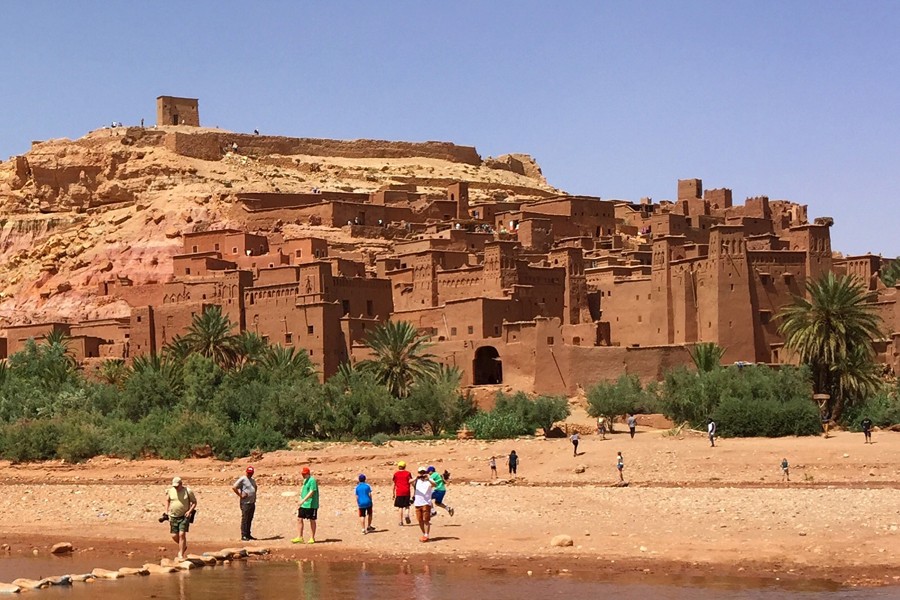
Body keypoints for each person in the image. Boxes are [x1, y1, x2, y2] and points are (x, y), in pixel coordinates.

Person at [165, 476, 197, 560]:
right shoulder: (170, 491)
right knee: (174, 535)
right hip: (173, 516)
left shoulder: (188, 491)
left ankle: (181, 554)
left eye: (177, 486)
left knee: (182, 534)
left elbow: (194, 502)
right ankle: (183, 546)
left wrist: (189, 511)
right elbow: (167, 500)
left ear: (181, 484)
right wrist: (167, 511)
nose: (175, 488)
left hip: (184, 516)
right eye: (174, 486)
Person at [292, 467, 318, 544]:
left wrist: (303, 500)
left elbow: (312, 492)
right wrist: (300, 499)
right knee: (299, 519)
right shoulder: (305, 480)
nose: (303, 475)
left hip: (311, 504)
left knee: (312, 520)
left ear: (308, 473)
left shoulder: (312, 480)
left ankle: (312, 537)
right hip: (303, 504)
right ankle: (300, 537)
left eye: (304, 474)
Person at [232, 466, 257, 541]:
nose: (250, 474)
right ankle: (244, 535)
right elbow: (234, 487)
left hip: (252, 502)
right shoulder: (243, 479)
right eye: (249, 473)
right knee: (245, 519)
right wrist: (240, 495)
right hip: (245, 503)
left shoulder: (252, 480)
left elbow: (255, 487)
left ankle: (248, 534)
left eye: (251, 473)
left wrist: (254, 494)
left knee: (250, 518)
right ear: (246, 472)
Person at [413, 466, 435, 542]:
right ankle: (424, 533)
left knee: (426, 520)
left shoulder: (429, 480)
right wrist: (416, 478)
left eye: (423, 472)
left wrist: (428, 479)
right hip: (418, 503)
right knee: (420, 520)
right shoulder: (416, 481)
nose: (422, 474)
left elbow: (435, 485)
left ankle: (426, 535)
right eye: (420, 472)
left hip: (426, 502)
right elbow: (409, 482)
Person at [392, 461, 413, 526]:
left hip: (399, 492)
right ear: (405, 466)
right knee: (407, 506)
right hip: (406, 491)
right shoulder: (408, 473)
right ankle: (406, 515)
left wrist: (393, 493)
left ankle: (400, 521)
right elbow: (410, 481)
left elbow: (394, 484)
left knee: (400, 507)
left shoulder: (396, 474)